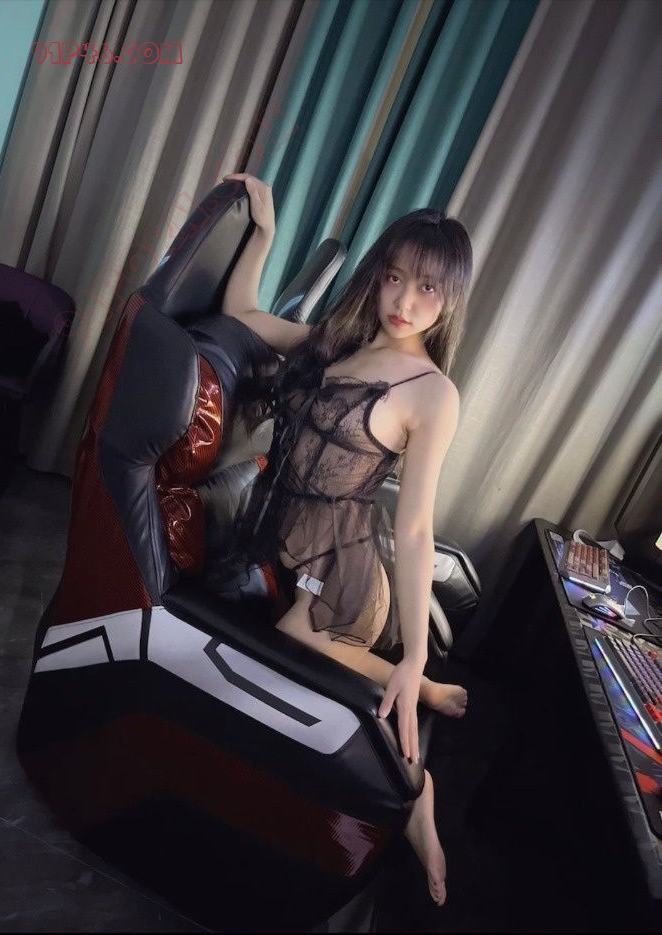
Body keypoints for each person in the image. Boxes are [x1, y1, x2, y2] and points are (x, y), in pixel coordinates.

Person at [217, 172, 473, 907]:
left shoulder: (432, 392)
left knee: (295, 632)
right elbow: (241, 314)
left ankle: (417, 788)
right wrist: (264, 232)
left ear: (449, 297)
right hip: (279, 543)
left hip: (341, 568)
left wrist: (415, 652)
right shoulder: (337, 342)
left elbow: (415, 527)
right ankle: (413, 684)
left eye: (427, 287)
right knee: (266, 616)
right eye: (395, 276)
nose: (404, 301)